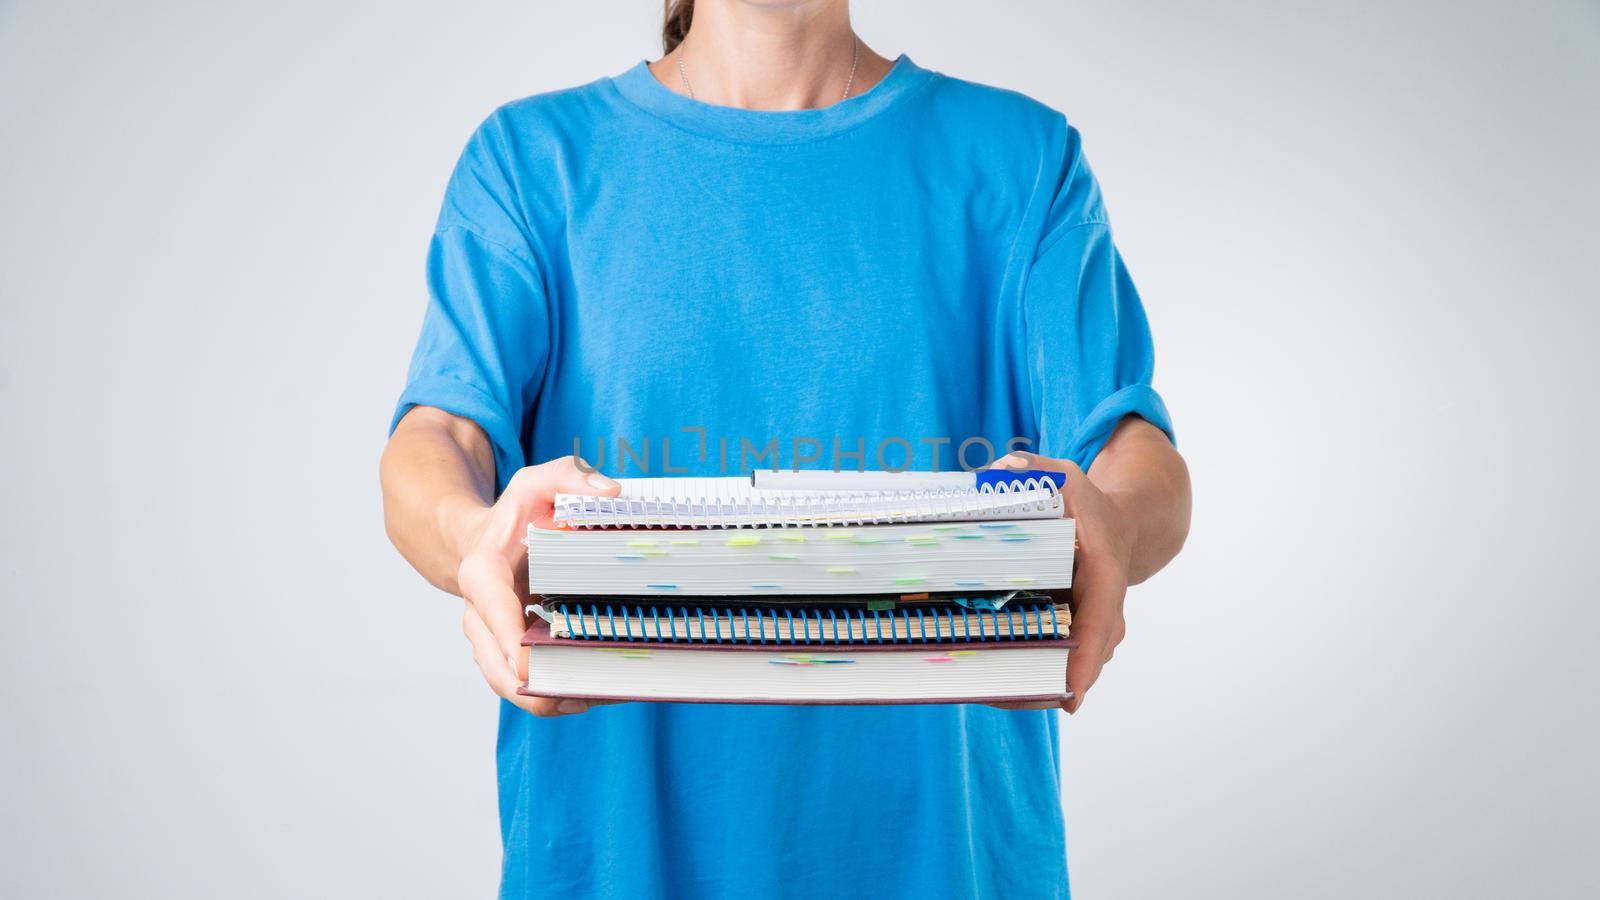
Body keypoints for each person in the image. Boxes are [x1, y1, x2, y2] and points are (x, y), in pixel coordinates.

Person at [379, 0, 1192, 896]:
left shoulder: (1022, 160)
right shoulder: (532, 161)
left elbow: (1128, 444)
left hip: (950, 862)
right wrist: (471, 540)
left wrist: (1110, 522)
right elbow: (441, 433)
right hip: (612, 862)